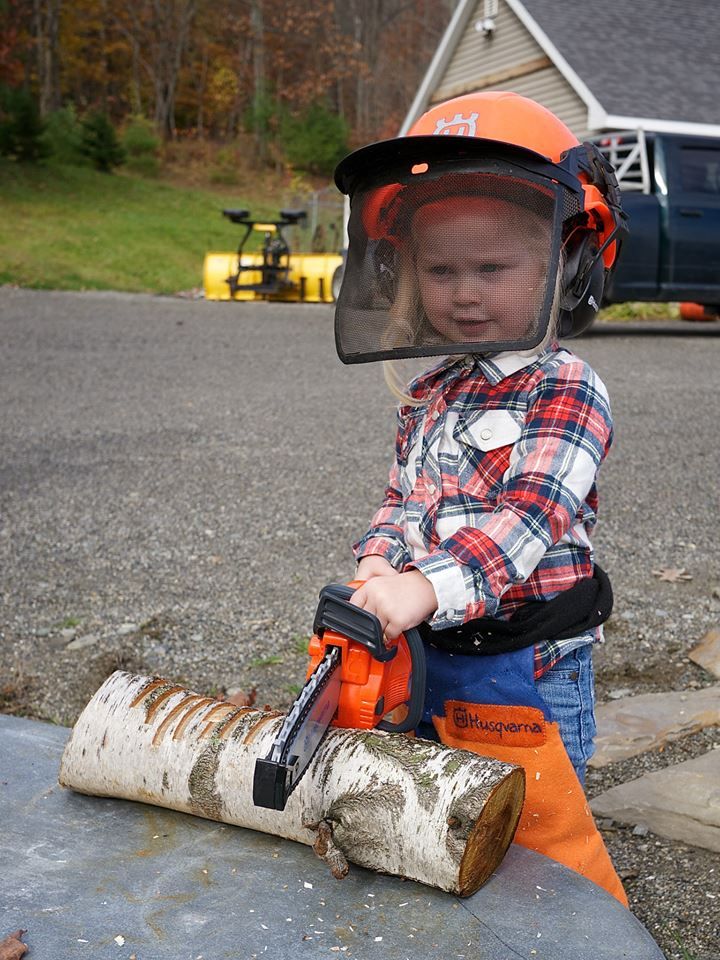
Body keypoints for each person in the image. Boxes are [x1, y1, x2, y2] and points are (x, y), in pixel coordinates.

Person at [332, 91, 629, 904]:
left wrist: (423, 587)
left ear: (563, 264)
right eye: (441, 270)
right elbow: (404, 497)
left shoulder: (566, 388)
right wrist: (378, 561)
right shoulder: (432, 389)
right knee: (444, 809)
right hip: (435, 652)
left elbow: (525, 523)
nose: (464, 293)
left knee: (534, 836)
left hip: (527, 663)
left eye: (491, 269)